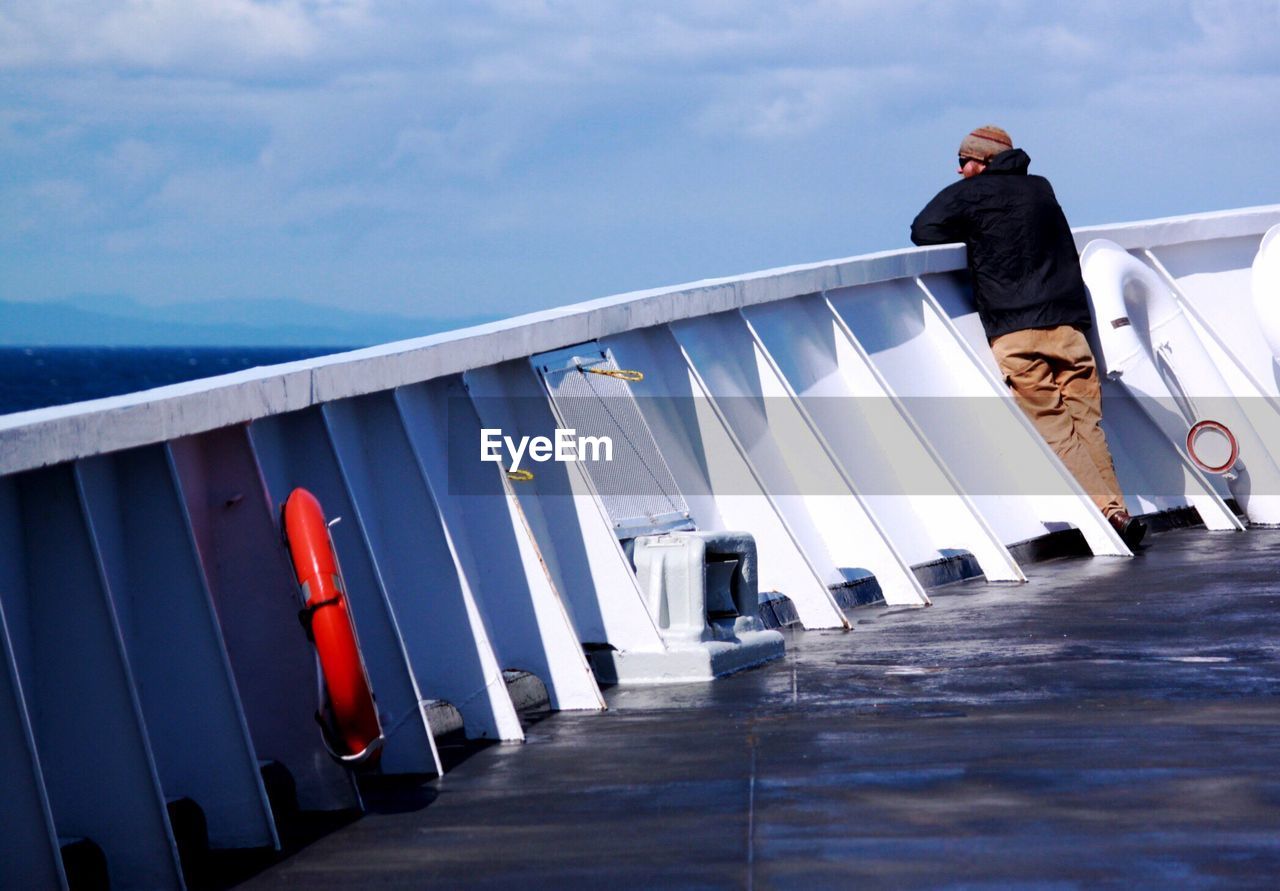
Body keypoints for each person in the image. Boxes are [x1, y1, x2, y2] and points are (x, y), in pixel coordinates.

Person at [910, 125, 1147, 549]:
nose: (961, 169)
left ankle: (1111, 514)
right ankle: (1119, 512)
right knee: (1087, 423)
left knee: (1057, 428)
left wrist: (973, 228)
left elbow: (923, 230)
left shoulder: (969, 193)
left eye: (964, 161)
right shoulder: (1041, 189)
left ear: (982, 161)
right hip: (1067, 328)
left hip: (1016, 333)